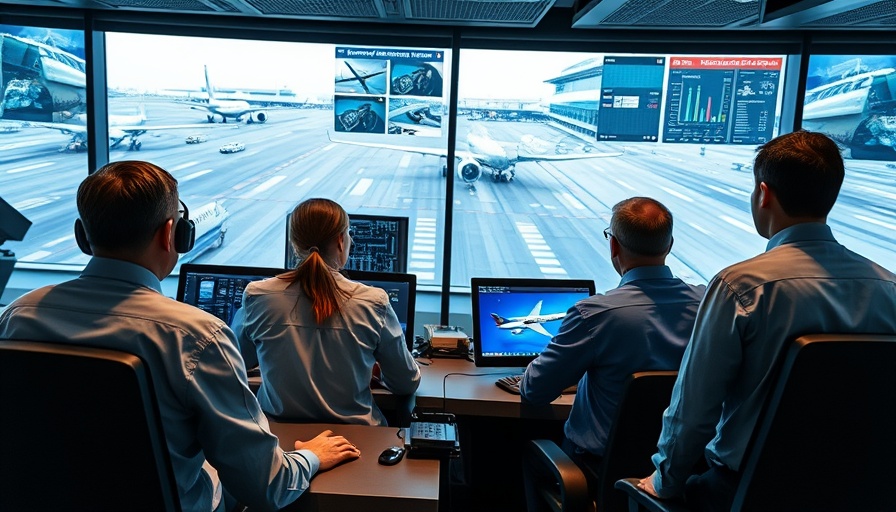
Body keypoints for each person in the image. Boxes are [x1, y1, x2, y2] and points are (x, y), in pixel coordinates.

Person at [0, 161, 361, 512]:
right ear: (172, 234)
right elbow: (267, 486)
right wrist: (312, 455)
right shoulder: (197, 337)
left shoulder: (18, 316)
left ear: (82, 236)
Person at [637, 131, 896, 510]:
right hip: (861, 491)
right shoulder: (889, 289)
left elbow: (693, 410)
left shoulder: (740, 287)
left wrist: (665, 481)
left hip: (746, 492)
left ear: (763, 194)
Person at [520, 197, 705, 481]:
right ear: (669, 245)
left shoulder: (595, 315)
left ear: (614, 245)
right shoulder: (708, 304)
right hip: (682, 474)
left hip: (601, 471)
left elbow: (534, 392)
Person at [232, 198, 420, 426]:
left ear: (294, 244)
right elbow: (405, 382)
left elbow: (236, 362)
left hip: (279, 441)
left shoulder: (257, 296)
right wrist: (371, 369)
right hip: (357, 439)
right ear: (341, 241)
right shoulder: (373, 301)